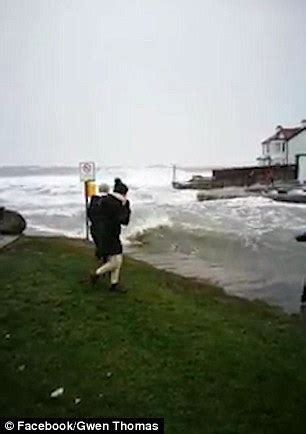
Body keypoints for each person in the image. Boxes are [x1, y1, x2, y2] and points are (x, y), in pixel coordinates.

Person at [90, 178, 131, 291]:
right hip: (110, 234)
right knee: (116, 260)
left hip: (101, 233)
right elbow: (125, 220)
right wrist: (126, 207)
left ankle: (114, 285)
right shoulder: (119, 203)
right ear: (124, 193)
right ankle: (96, 274)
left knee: (115, 260)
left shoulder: (104, 200)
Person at [88, 183, 110, 262]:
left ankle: (100, 258)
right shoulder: (109, 200)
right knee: (104, 244)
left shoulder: (93, 200)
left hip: (94, 226)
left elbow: (89, 213)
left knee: (99, 244)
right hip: (105, 226)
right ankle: (104, 261)